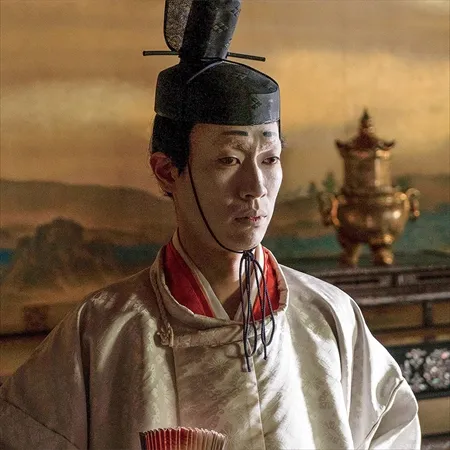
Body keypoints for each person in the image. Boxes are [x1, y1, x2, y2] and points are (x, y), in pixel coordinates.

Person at [0, 1, 420, 449]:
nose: (255, 187)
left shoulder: (328, 316)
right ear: (167, 171)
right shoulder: (104, 331)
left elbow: (392, 431)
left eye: (270, 159)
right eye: (228, 160)